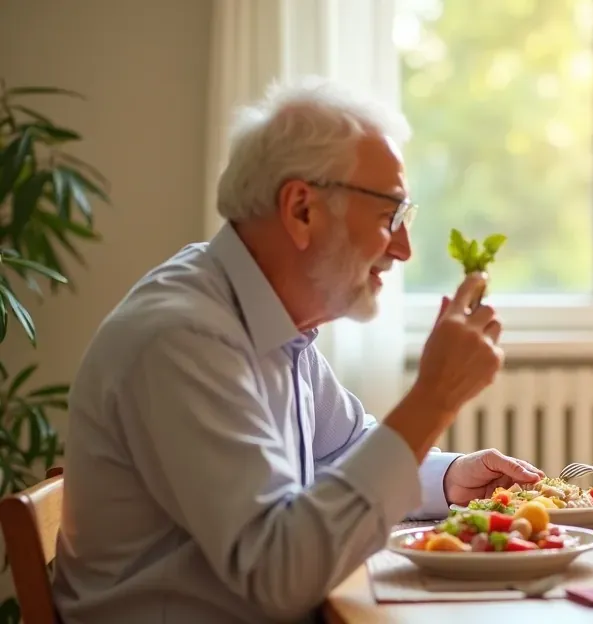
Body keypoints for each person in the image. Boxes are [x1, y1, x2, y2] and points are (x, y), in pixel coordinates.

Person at [51, 78, 543, 623]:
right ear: (302, 209)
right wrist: (434, 398)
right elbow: (280, 574)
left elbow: (342, 449)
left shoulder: (266, 318)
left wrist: (450, 478)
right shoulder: (181, 338)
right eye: (389, 217)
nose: (403, 249)